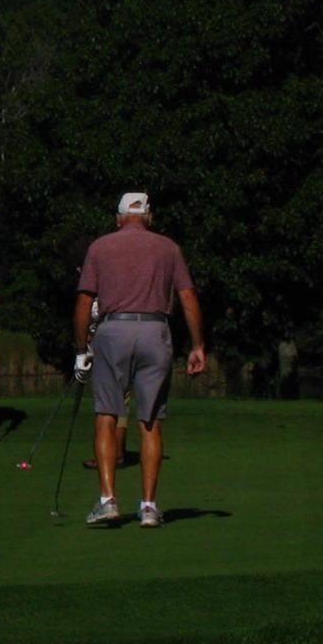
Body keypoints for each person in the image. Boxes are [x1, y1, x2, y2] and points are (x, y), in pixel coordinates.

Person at [72, 194, 204, 527]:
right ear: (150, 217)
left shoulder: (100, 247)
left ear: (118, 218)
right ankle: (148, 507)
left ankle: (108, 501)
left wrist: (81, 348)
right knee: (150, 421)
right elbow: (188, 297)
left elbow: (85, 301)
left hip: (113, 331)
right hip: (155, 332)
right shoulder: (169, 248)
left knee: (106, 415)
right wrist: (198, 345)